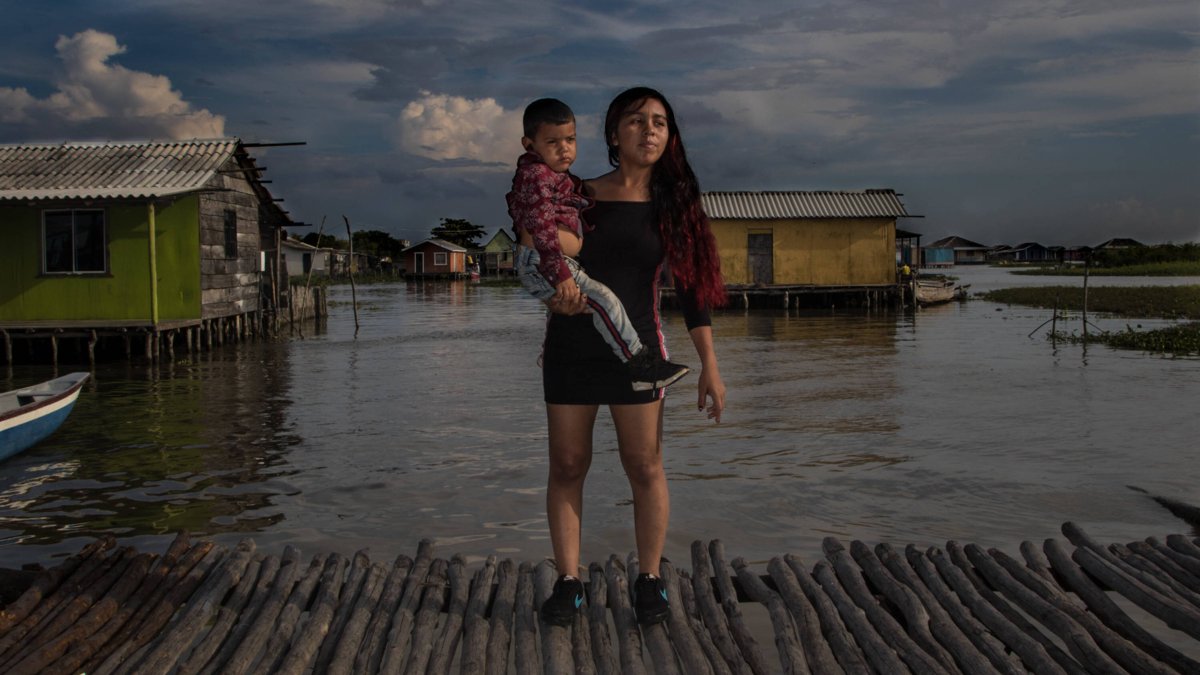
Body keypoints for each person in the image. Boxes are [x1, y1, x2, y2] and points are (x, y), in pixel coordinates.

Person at [537, 87, 727, 627]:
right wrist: (551, 288)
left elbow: (692, 290)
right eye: (637, 120)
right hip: (571, 347)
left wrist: (709, 363)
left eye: (661, 123)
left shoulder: (675, 208)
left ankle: (649, 580)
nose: (650, 130)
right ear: (614, 132)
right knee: (568, 465)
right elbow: (538, 249)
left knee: (644, 466)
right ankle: (569, 582)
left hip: (640, 354)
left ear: (670, 138)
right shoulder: (576, 195)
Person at [507, 98, 689, 392]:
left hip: (553, 263)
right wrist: (561, 275)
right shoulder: (538, 175)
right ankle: (639, 363)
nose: (564, 148)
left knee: (603, 302)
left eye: (570, 140)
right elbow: (538, 230)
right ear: (529, 144)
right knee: (604, 300)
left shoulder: (560, 178)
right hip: (549, 263)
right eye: (552, 141)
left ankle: (637, 361)